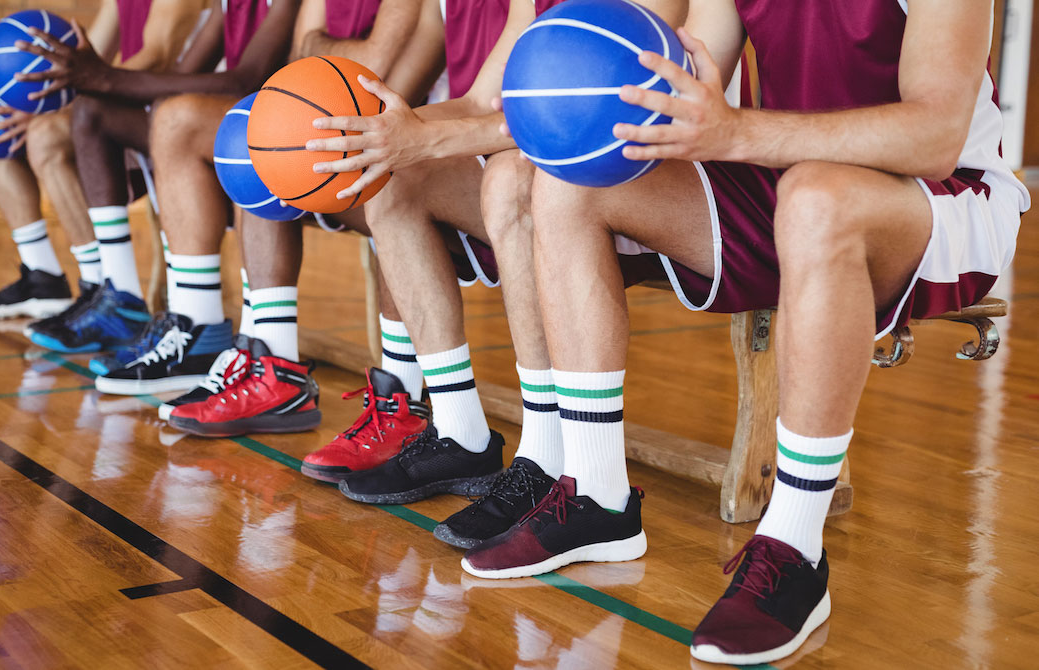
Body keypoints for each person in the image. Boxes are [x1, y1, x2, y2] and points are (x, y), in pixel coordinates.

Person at [477, 0, 1025, 665]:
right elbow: (695, 78)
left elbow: (934, 139)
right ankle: (596, 494)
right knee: (571, 180)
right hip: (786, 179)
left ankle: (794, 547)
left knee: (817, 201)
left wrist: (736, 133)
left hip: (940, 200)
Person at [305, 0, 678, 546]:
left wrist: (426, 139)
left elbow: (590, 114)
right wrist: (376, 134)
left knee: (511, 179)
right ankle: (461, 433)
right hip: (559, 169)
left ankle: (548, 453)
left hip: (642, 176)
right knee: (394, 180)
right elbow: (484, 100)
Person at [163, 0, 447, 450]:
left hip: (414, 142)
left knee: (394, 185)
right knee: (256, 140)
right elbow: (303, 59)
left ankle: (402, 397)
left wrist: (321, 48)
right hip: (342, 129)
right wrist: (326, 54)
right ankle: (274, 369)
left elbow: (372, 74)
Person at [15, 0, 302, 393]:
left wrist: (109, 77)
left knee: (175, 119)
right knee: (94, 111)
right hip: (240, 125)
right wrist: (93, 81)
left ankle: (201, 325)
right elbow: (185, 74)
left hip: (288, 136)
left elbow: (246, 80)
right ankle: (122, 297)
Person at [0, 0, 202, 322]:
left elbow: (156, 55)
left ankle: (104, 287)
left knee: (45, 136)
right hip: (119, 98)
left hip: (164, 105)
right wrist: (36, 103)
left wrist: (59, 107)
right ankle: (42, 275)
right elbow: (87, 56)